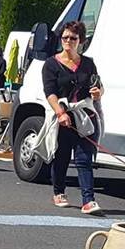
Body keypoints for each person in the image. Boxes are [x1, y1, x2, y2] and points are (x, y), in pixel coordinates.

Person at [42, 19, 103, 213]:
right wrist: (60, 113)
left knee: (85, 158)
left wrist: (98, 92)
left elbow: (98, 85)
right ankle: (59, 192)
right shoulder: (51, 64)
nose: (68, 41)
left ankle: (88, 200)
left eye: (73, 38)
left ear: (80, 41)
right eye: (65, 37)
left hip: (85, 115)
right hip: (63, 115)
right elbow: (50, 92)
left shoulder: (88, 64)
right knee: (61, 156)